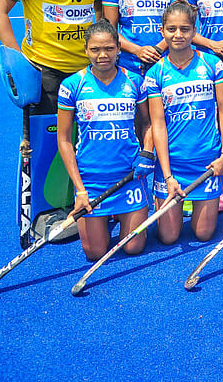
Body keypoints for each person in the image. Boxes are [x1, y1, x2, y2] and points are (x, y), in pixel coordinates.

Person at [0, 0, 105, 240]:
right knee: (43, 143)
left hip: (85, 72)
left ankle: (80, 202)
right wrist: (18, 60)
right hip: (46, 72)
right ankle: (42, 213)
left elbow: (96, 15)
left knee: (86, 140)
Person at [57, 21, 154, 260]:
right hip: (91, 181)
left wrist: (146, 152)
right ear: (86, 50)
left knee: (133, 248)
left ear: (119, 48)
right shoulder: (72, 85)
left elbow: (148, 123)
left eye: (109, 48)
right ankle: (103, 218)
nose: (103, 55)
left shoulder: (135, 82)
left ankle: (120, 215)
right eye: (95, 49)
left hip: (128, 178)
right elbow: (64, 140)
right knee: (95, 253)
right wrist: (79, 190)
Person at [144, 1, 223, 243]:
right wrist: (167, 174)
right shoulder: (155, 74)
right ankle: (164, 191)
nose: (178, 35)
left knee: (204, 235)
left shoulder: (212, 64)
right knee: (168, 237)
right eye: (171, 29)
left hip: (206, 162)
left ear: (194, 32)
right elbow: (158, 124)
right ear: (162, 31)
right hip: (172, 164)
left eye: (185, 29)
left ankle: (220, 190)